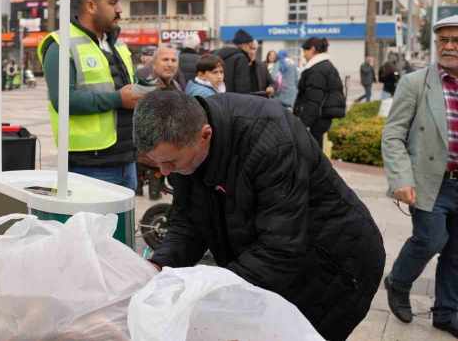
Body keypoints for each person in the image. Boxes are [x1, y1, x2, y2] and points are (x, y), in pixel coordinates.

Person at [134, 91, 385, 341]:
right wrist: (159, 267)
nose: (165, 171)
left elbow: (280, 248)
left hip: (334, 265)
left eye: (171, 162)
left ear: (205, 135)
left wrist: (210, 290)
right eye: (157, 163)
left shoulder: (271, 141)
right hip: (272, 257)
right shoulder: (183, 142)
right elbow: (188, 221)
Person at [382, 15, 458, 337]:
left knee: (457, 252)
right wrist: (401, 178)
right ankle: (398, 282)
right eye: (444, 40)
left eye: (456, 40)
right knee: (431, 239)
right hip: (431, 182)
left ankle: (446, 311)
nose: (449, 46)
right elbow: (393, 134)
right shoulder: (416, 83)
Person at [37, 0, 141, 190]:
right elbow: (64, 100)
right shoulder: (61, 45)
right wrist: (118, 99)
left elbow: (133, 87)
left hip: (127, 161)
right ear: (91, 6)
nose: (120, 9)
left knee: (123, 225)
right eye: (113, 3)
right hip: (90, 166)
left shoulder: (118, 46)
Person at [293, 37, 346, 148]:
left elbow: (313, 100)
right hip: (321, 118)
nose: (303, 55)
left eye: (304, 51)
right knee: (316, 151)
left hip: (316, 119)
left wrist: (303, 124)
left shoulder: (317, 70)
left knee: (312, 152)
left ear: (312, 49)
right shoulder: (324, 66)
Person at [214, 29, 254, 94]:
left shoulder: (218, 54)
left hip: (218, 96)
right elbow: (242, 86)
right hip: (234, 99)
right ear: (243, 45)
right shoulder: (241, 58)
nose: (251, 50)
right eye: (250, 46)